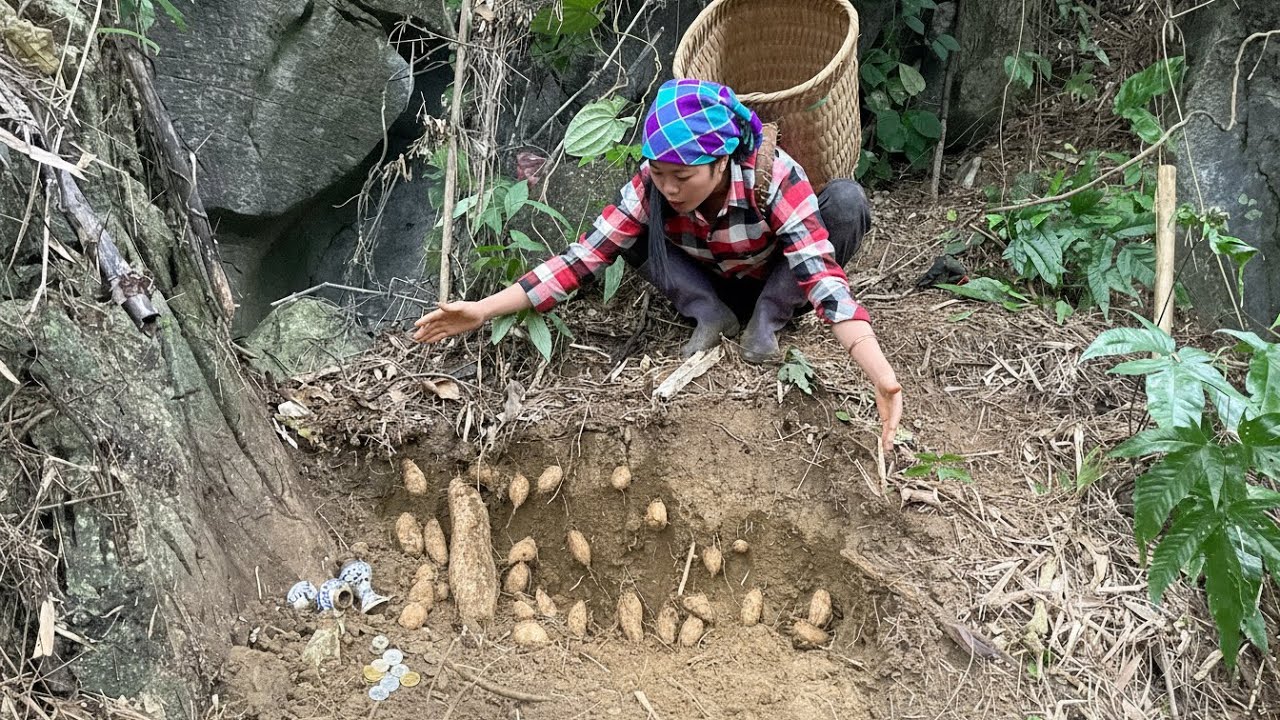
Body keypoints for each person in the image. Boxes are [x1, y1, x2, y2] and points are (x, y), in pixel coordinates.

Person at [414, 79, 902, 451]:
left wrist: (879, 372)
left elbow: (822, 278)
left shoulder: (772, 176)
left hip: (778, 278)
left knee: (844, 201)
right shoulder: (651, 186)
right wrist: (482, 309)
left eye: (682, 177)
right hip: (710, 277)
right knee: (623, 233)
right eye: (659, 173)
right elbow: (582, 259)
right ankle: (709, 312)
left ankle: (766, 322)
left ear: (721, 160)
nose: (669, 187)